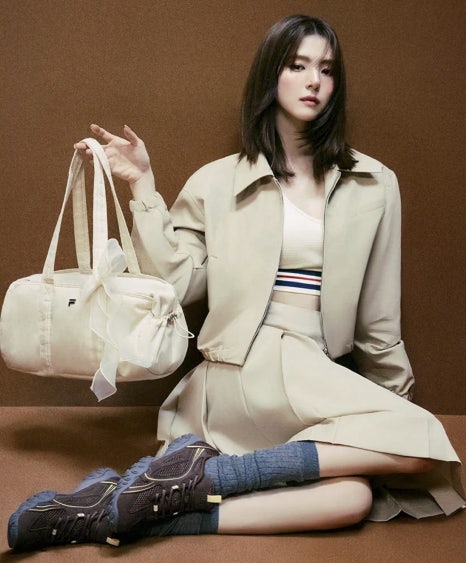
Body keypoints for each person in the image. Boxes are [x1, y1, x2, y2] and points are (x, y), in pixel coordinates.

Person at [8, 14, 465, 551]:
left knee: (351, 499)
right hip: (241, 367)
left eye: (326, 70)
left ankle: (117, 511)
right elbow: (174, 285)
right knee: (422, 443)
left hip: (313, 380)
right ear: (272, 76)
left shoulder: (374, 184)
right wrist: (144, 187)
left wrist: (390, 411)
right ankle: (213, 475)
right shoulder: (218, 180)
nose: (314, 81)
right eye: (297, 66)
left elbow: (378, 323)